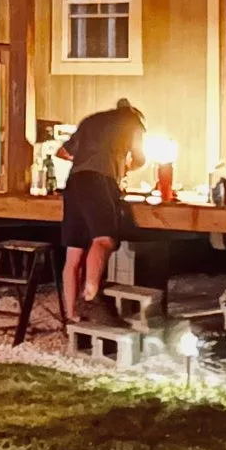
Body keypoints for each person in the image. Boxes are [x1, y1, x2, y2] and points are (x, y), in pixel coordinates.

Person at [56, 99, 146, 324]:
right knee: (104, 240)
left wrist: (87, 157)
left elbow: (62, 152)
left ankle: (71, 316)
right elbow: (139, 159)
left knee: (74, 253)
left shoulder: (91, 120)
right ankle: (91, 298)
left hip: (74, 182)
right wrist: (123, 166)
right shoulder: (132, 122)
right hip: (98, 181)